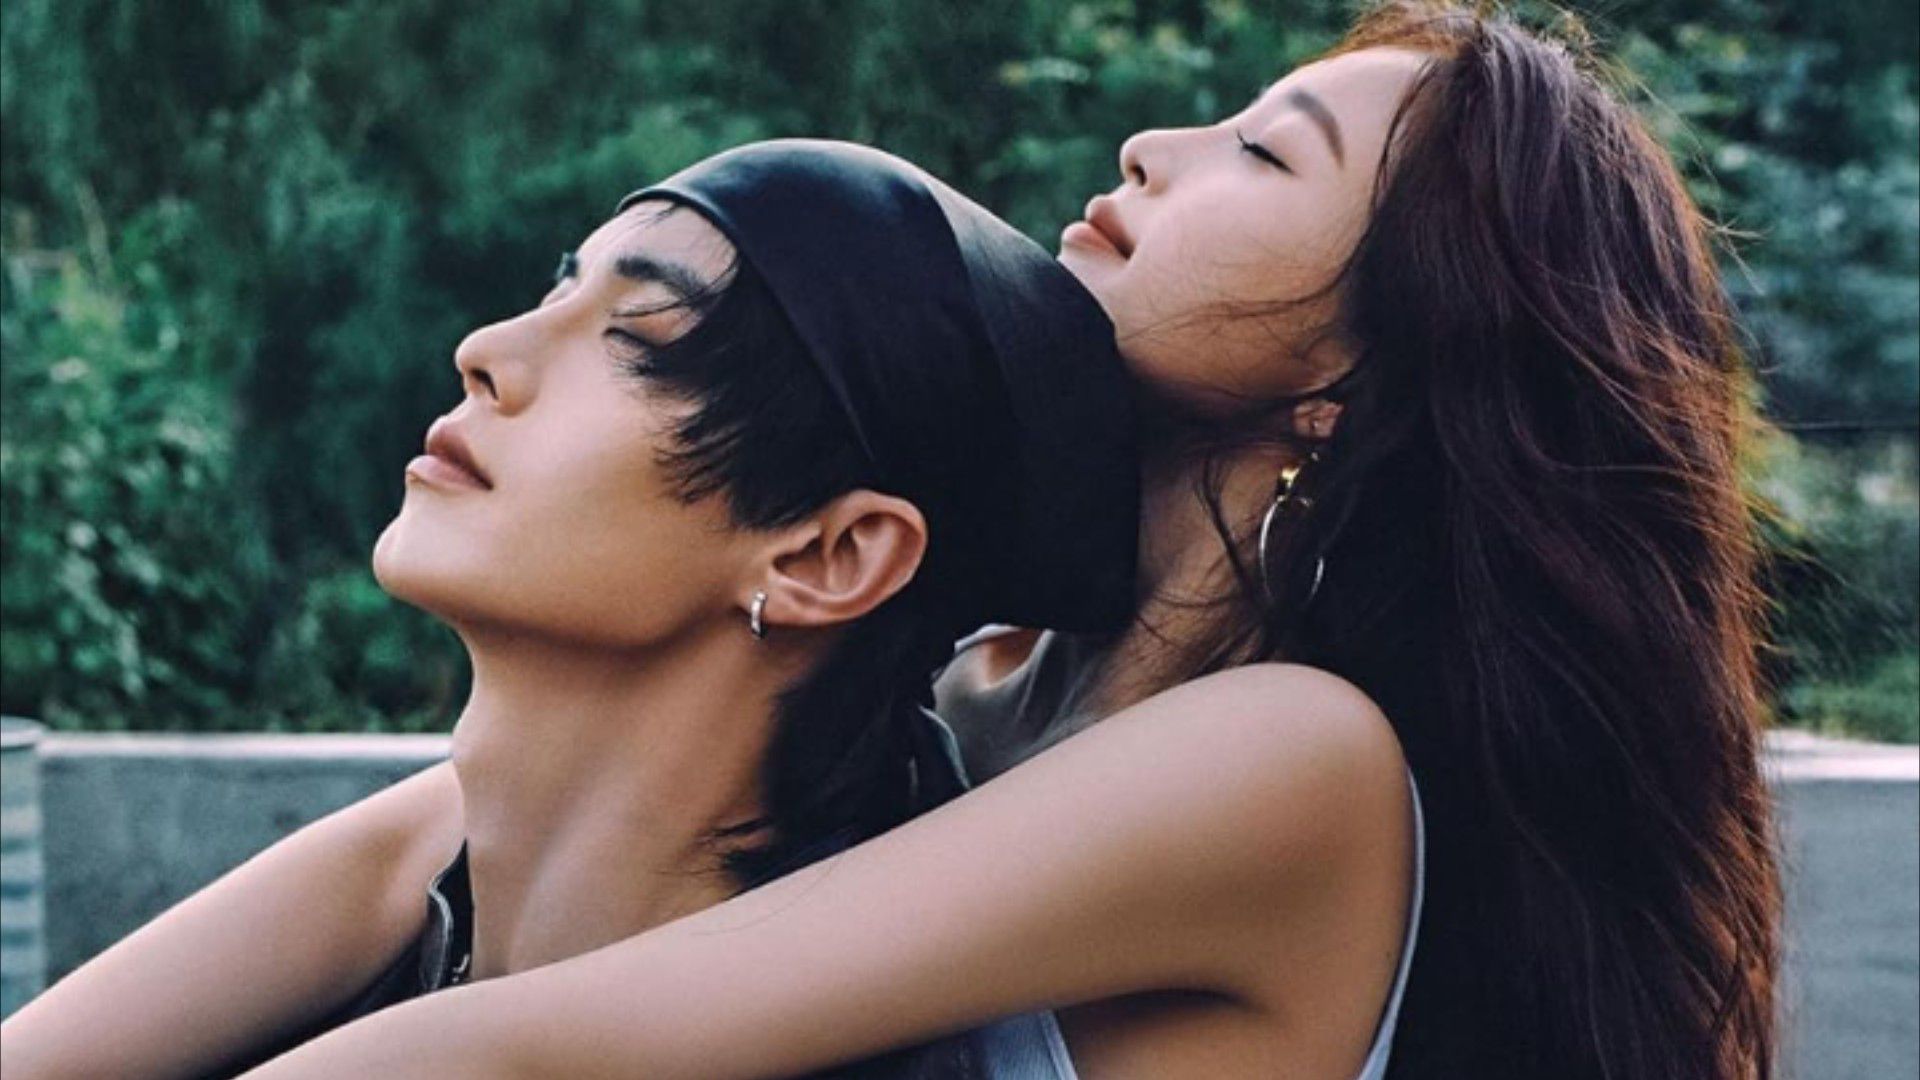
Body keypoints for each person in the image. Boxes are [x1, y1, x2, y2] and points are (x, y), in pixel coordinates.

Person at [8, 3, 1787, 1077]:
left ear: (1360, 377)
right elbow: (449, 832)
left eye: (1263, 154)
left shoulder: (1287, 761)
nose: (1151, 146)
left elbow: (552, 1045)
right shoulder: (984, 701)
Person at [0, 139, 1140, 1080]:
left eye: (640, 336)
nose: (486, 352)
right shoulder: (419, 880)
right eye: (557, 290)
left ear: (828, 557)